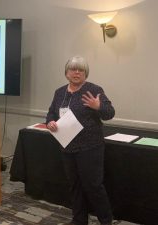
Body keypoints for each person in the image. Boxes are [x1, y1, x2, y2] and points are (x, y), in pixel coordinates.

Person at [46, 56, 115, 225]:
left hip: (90, 147)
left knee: (93, 186)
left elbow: (109, 113)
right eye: (73, 69)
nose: (77, 72)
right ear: (66, 72)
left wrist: (98, 106)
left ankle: (106, 221)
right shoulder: (60, 92)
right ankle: (79, 220)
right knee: (75, 185)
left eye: (81, 70)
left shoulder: (94, 89)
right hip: (67, 146)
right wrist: (50, 122)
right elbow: (51, 113)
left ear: (85, 73)